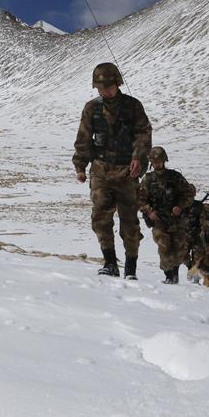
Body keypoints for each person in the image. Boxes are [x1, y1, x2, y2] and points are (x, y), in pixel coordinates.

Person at [73, 62, 151, 280]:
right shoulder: (92, 108)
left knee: (129, 221)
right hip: (101, 168)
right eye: (100, 88)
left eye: (108, 87)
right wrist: (80, 165)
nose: (104, 91)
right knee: (100, 216)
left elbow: (143, 135)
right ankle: (109, 263)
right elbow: (84, 138)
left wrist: (138, 159)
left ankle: (131, 268)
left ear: (118, 83)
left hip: (127, 170)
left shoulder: (133, 106)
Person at [137, 146, 194, 283]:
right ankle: (169, 276)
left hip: (176, 220)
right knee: (164, 247)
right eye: (155, 162)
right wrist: (149, 211)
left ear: (164, 161)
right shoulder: (148, 179)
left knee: (178, 249)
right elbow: (139, 198)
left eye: (160, 161)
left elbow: (189, 194)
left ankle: (174, 276)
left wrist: (180, 206)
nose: (157, 164)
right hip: (159, 220)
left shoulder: (175, 177)